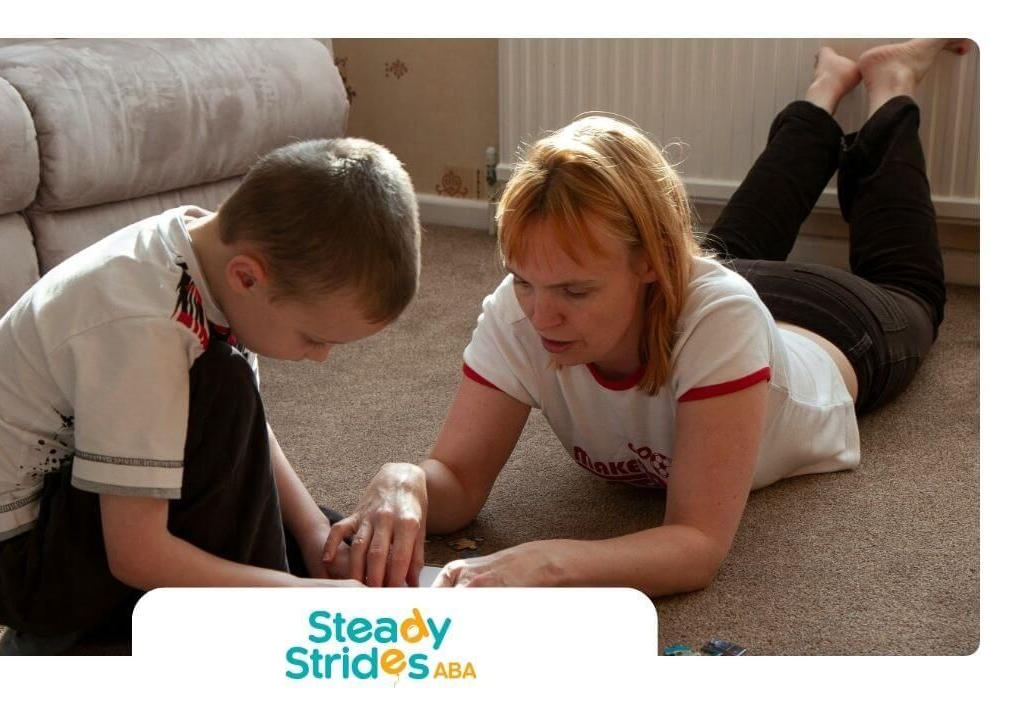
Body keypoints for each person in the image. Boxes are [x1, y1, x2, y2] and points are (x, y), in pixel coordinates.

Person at [324, 39, 971, 593]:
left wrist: (547, 563)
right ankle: (824, 90)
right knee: (735, 242)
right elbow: (460, 481)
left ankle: (891, 84)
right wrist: (404, 480)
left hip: (829, 326)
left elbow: (695, 544)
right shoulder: (525, 308)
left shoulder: (719, 316)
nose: (542, 316)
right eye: (523, 280)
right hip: (694, 293)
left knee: (912, 287)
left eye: (574, 291)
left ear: (653, 264)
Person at [0, 137, 421, 653]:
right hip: (25, 567)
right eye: (314, 337)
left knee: (312, 533)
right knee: (224, 391)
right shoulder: (145, 326)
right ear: (247, 277)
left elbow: (246, 437)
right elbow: (136, 554)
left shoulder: (211, 255)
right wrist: (296, 599)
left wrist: (311, 536)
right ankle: (81, 644)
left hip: (84, 508)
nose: (321, 356)